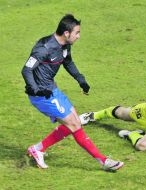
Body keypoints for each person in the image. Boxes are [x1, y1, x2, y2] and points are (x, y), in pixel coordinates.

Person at [21, 14, 123, 171]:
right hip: (42, 95)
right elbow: (27, 69)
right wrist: (34, 89)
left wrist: (80, 79)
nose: (79, 36)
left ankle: (38, 149)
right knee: (74, 124)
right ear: (66, 33)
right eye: (77, 32)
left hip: (53, 90)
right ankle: (104, 161)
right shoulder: (44, 48)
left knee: (75, 121)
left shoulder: (64, 46)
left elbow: (68, 62)